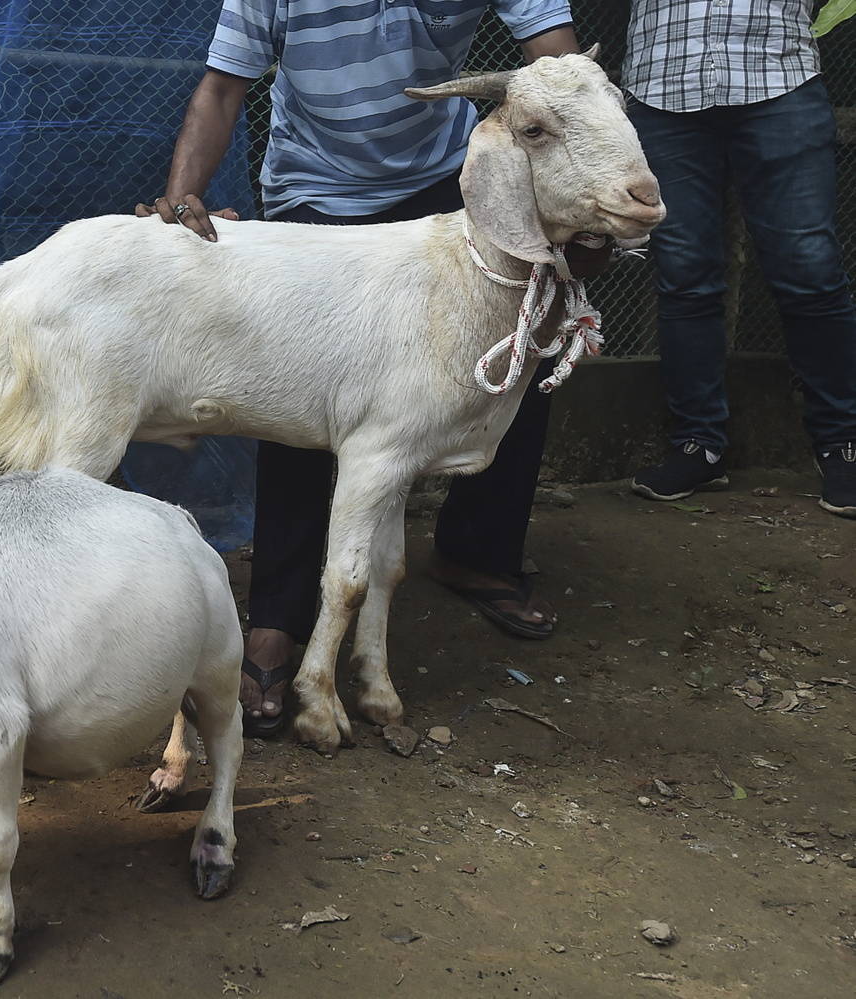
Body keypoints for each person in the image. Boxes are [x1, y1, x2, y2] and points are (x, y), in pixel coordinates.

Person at [136, 1, 599, 736]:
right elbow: (223, 86)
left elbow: (561, 69)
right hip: (318, 184)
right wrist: (184, 193)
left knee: (516, 347)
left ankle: (479, 553)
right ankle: (279, 619)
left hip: (446, 177)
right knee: (299, 391)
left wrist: (587, 166)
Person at [623, 0, 856, 517]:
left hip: (778, 74)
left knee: (809, 267)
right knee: (683, 273)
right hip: (664, 80)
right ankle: (697, 445)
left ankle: (843, 443)